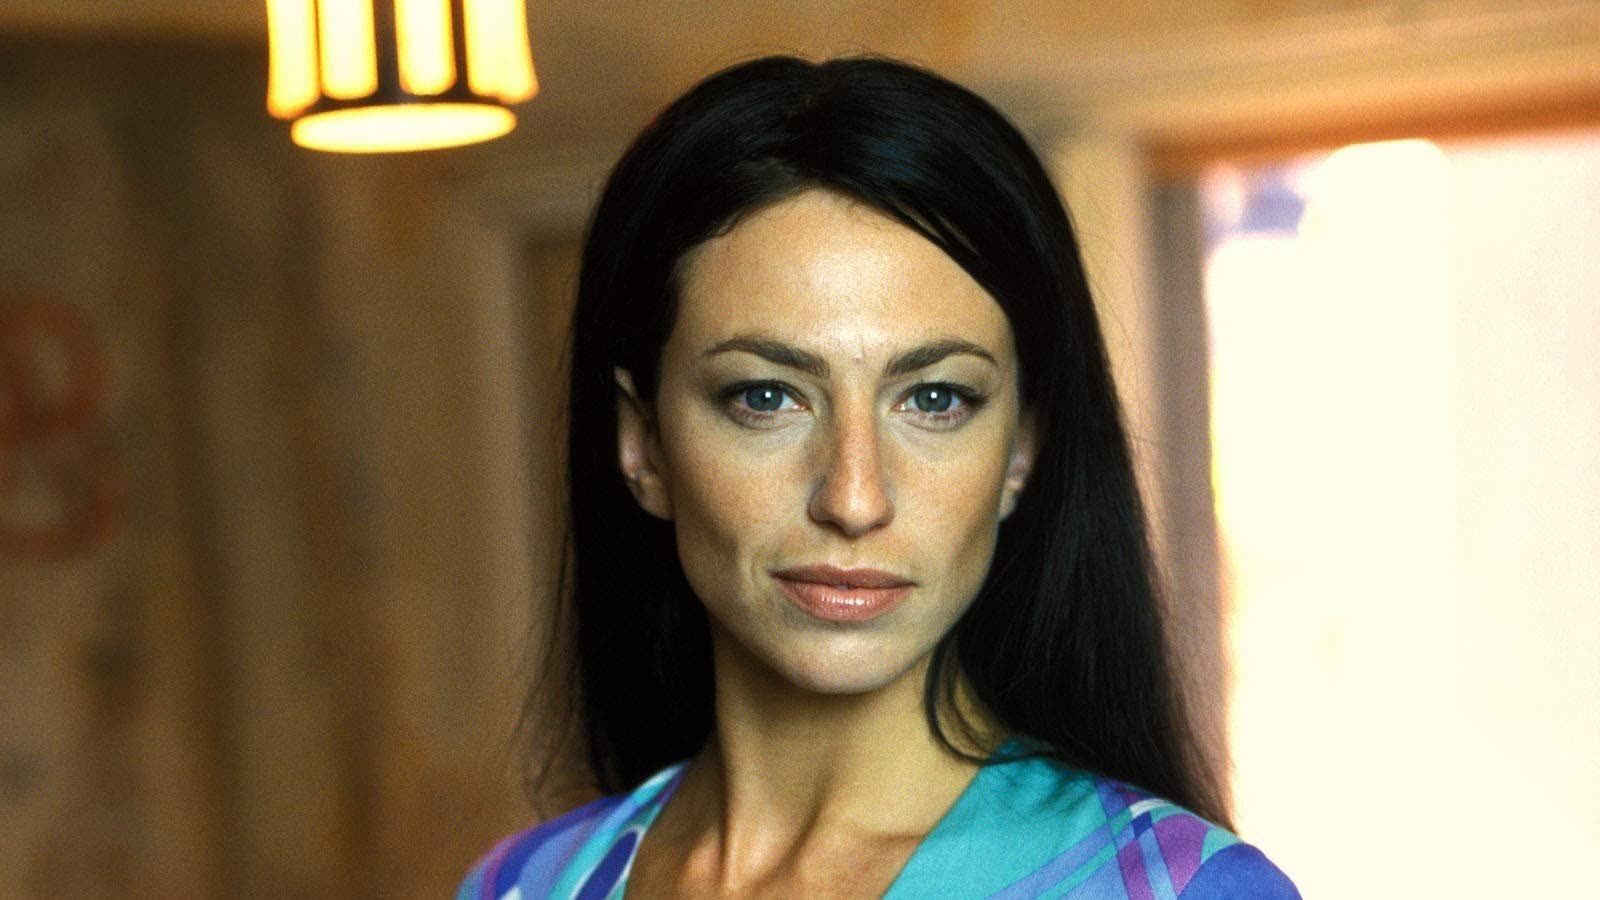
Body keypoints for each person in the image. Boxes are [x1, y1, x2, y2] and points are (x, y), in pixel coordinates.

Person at [458, 55, 1299, 899]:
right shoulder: (520, 886)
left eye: (936, 399)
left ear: (1021, 450)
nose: (854, 499)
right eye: (766, 396)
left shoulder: (1179, 890)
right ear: (643, 444)